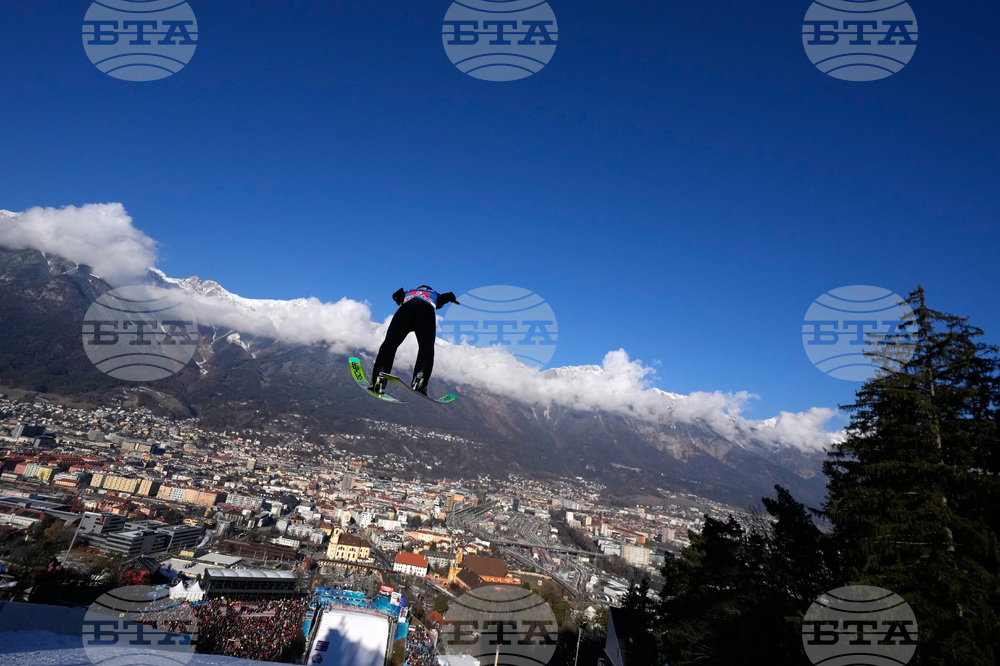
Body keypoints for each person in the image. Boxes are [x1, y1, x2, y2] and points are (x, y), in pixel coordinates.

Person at [370, 286, 460, 395]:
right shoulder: (434, 294)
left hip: (405, 311)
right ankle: (419, 381)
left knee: (389, 344)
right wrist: (452, 298)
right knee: (426, 347)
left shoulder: (409, 292)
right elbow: (448, 296)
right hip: (425, 312)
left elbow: (396, 295)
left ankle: (378, 380)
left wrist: (398, 298)